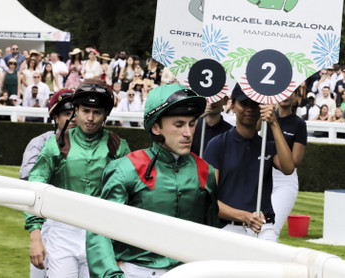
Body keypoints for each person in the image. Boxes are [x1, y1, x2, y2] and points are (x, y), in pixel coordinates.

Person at [86, 84, 220, 277]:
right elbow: (100, 229)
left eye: (192, 124)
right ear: (156, 127)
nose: (189, 133)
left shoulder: (205, 170)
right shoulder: (127, 168)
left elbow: (212, 232)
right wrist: (109, 274)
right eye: (179, 124)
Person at [26, 80, 130, 277]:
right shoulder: (57, 143)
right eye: (85, 111)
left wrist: (121, 246)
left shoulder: (117, 145)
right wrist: (35, 236)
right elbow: (35, 186)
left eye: (97, 112)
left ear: (106, 114)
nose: (90, 118)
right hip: (62, 231)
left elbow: (128, 195)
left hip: (102, 233)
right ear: (76, 110)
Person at [203, 85, 294, 241]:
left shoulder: (266, 144)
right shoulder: (218, 144)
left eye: (254, 104)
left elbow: (288, 168)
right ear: (232, 105)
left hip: (263, 227)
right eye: (244, 103)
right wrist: (244, 216)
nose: (249, 109)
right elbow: (208, 200)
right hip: (229, 227)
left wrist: (274, 123)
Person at [20, 89, 76, 278]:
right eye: (67, 114)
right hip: (47, 219)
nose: (73, 118)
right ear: (56, 117)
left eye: (76, 113)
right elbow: (29, 181)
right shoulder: (40, 142)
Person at [270, 92, 307, 241]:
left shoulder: (298, 124)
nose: (285, 96)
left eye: (289, 92)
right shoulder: (266, 117)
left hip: (284, 180)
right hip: (262, 177)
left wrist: (272, 157)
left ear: (295, 97)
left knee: (272, 230)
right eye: (281, 91)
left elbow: (294, 161)